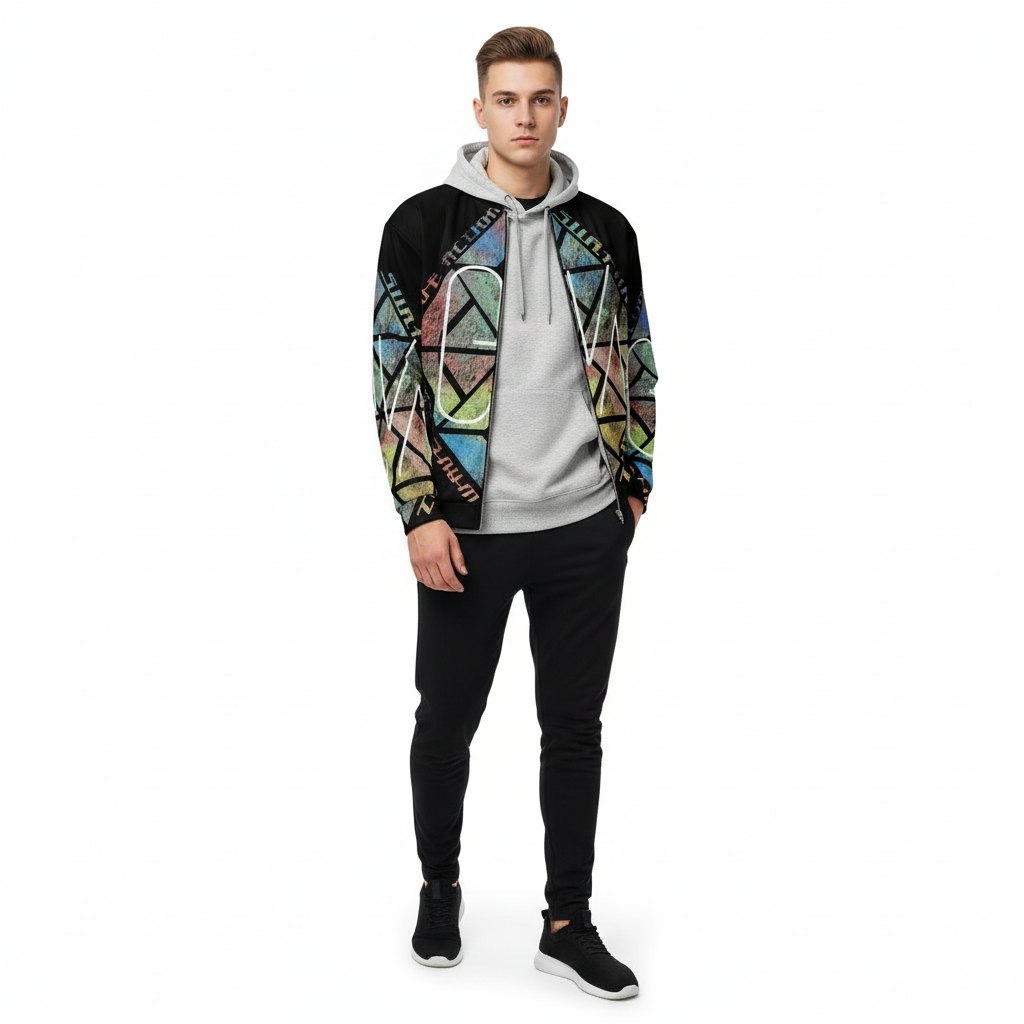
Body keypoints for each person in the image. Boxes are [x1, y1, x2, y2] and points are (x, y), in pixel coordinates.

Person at [370, 26, 657, 1000]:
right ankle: (439, 888)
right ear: (479, 108)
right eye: (507, 99)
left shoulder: (605, 231)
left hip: (584, 526)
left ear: (562, 109)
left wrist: (633, 485)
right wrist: (419, 511)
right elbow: (392, 378)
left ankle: (567, 920)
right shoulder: (422, 227)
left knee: (574, 727)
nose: (524, 117)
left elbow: (637, 358)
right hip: (468, 531)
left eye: (540, 99)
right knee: (446, 721)